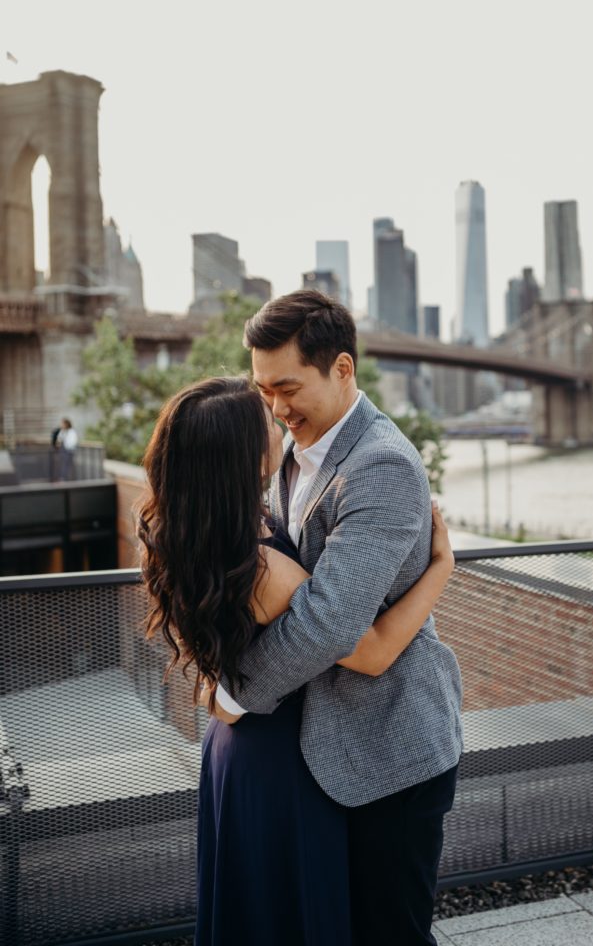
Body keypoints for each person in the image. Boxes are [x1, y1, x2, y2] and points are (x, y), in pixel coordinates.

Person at [138, 374, 456, 946]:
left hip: (234, 750)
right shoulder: (264, 568)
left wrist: (223, 691)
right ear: (238, 454)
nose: (279, 419)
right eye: (264, 415)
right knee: (295, 917)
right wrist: (441, 570)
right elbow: (372, 650)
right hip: (278, 759)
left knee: (258, 913)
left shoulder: (189, 540)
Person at [214, 290, 464, 946]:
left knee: (391, 935)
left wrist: (236, 689)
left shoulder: (379, 465)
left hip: (389, 752)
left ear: (342, 370)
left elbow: (327, 624)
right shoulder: (293, 449)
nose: (275, 407)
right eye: (263, 390)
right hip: (324, 754)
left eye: (288, 387)